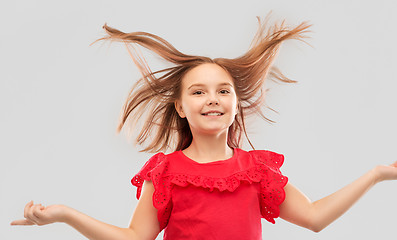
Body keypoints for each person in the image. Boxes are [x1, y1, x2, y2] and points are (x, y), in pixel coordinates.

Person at [10, 14, 397, 240]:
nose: (212, 98)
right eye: (198, 91)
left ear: (235, 104)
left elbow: (314, 217)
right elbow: (134, 238)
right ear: (180, 106)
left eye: (222, 90)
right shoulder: (164, 173)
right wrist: (64, 215)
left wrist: (378, 174)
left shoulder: (257, 171)